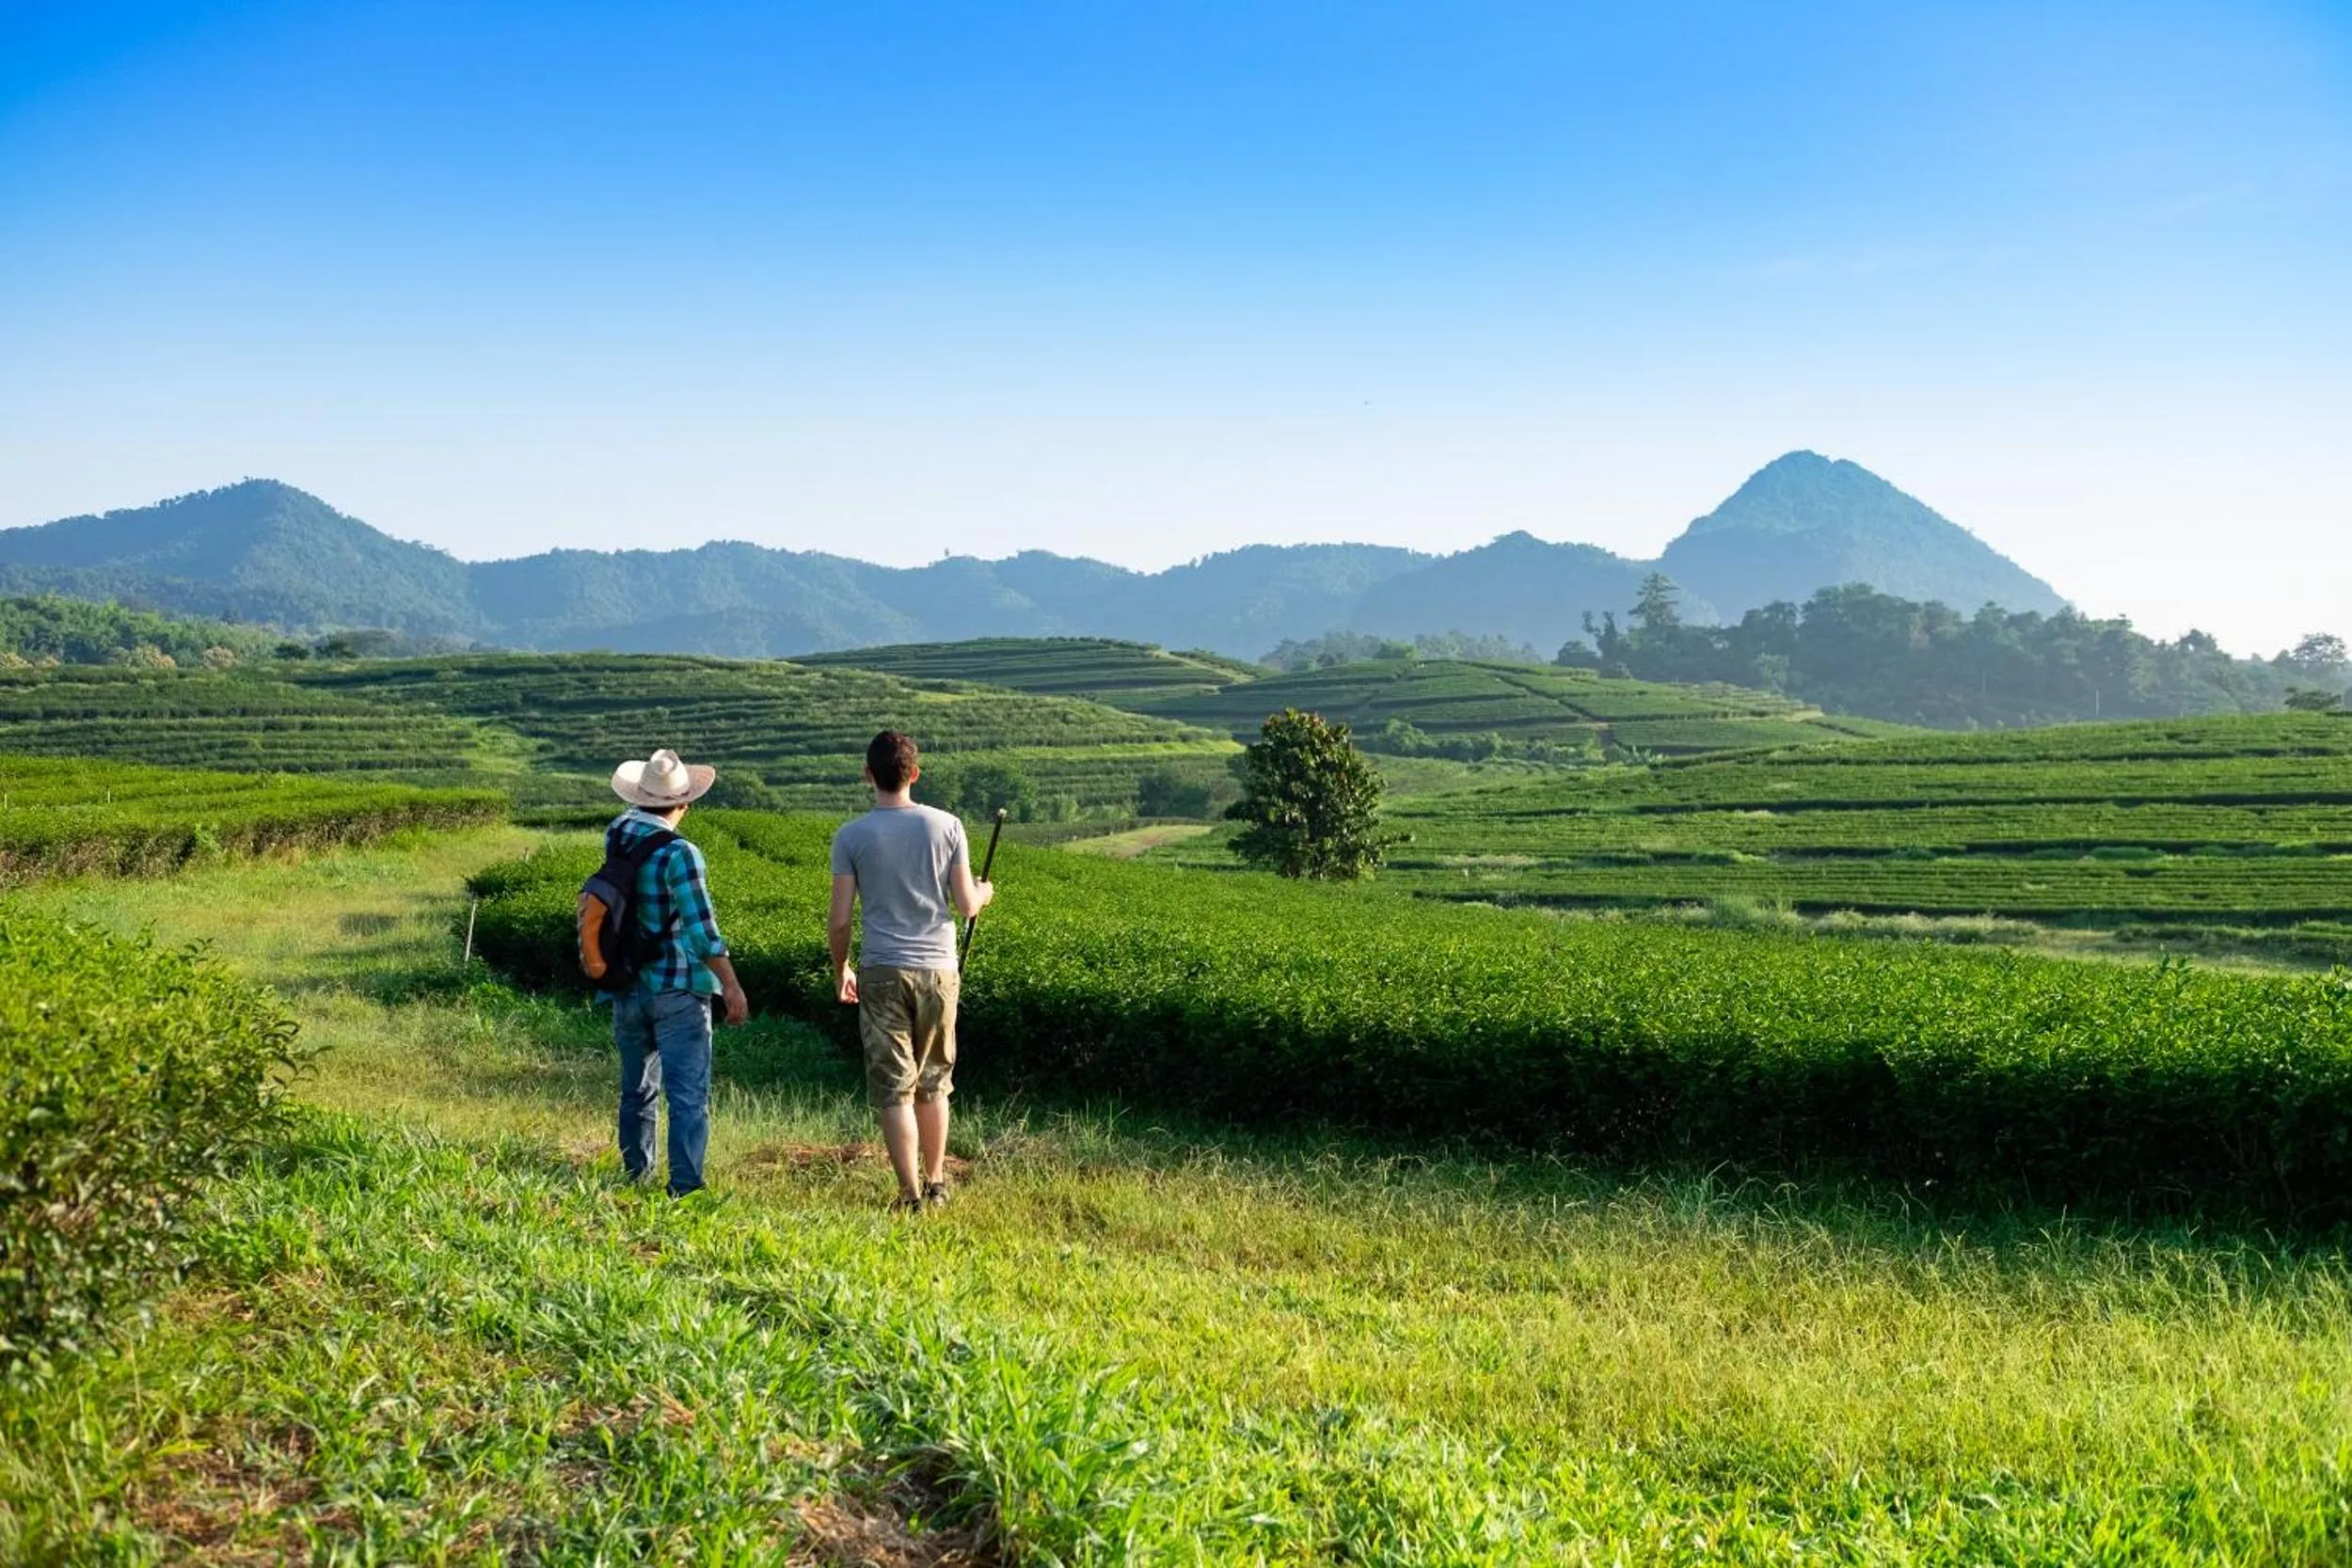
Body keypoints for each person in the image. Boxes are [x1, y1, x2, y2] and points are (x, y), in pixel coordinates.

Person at [829, 730, 993, 1212]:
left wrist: (842, 968)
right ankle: (938, 1182)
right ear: (914, 774)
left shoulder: (851, 836)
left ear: (867, 776)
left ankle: (909, 1194)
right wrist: (985, 891)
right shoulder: (948, 826)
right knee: (934, 1081)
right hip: (939, 968)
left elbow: (840, 920)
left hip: (881, 968)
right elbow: (966, 905)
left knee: (894, 1087)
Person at [604, 747, 749, 1197]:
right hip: (679, 988)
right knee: (687, 1095)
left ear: (641, 796)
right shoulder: (682, 853)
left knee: (637, 1089)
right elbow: (702, 930)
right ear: (683, 803)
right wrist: (730, 984)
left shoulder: (618, 833)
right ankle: (684, 1187)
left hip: (627, 981)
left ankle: (635, 1176)